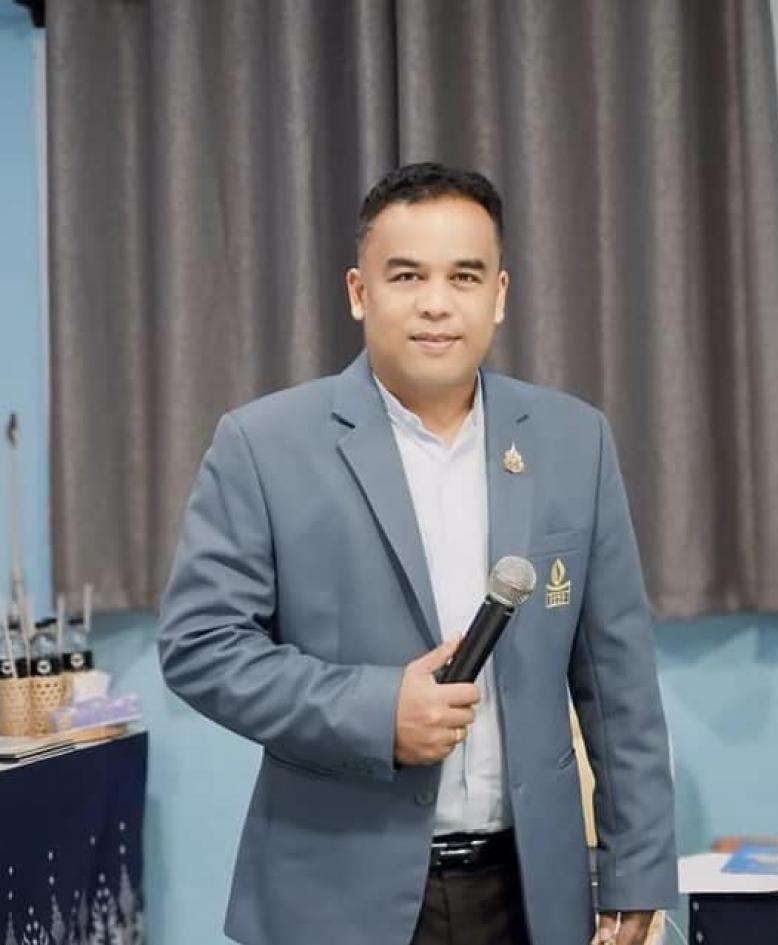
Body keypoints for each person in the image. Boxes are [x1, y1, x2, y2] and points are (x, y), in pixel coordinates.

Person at [159, 162, 678, 945]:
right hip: (334, 897)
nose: (437, 302)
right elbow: (200, 646)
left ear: (499, 294)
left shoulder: (575, 440)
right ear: (359, 291)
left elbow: (619, 679)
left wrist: (636, 866)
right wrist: (377, 712)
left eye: (464, 276)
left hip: (530, 896)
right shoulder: (263, 444)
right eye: (407, 275)